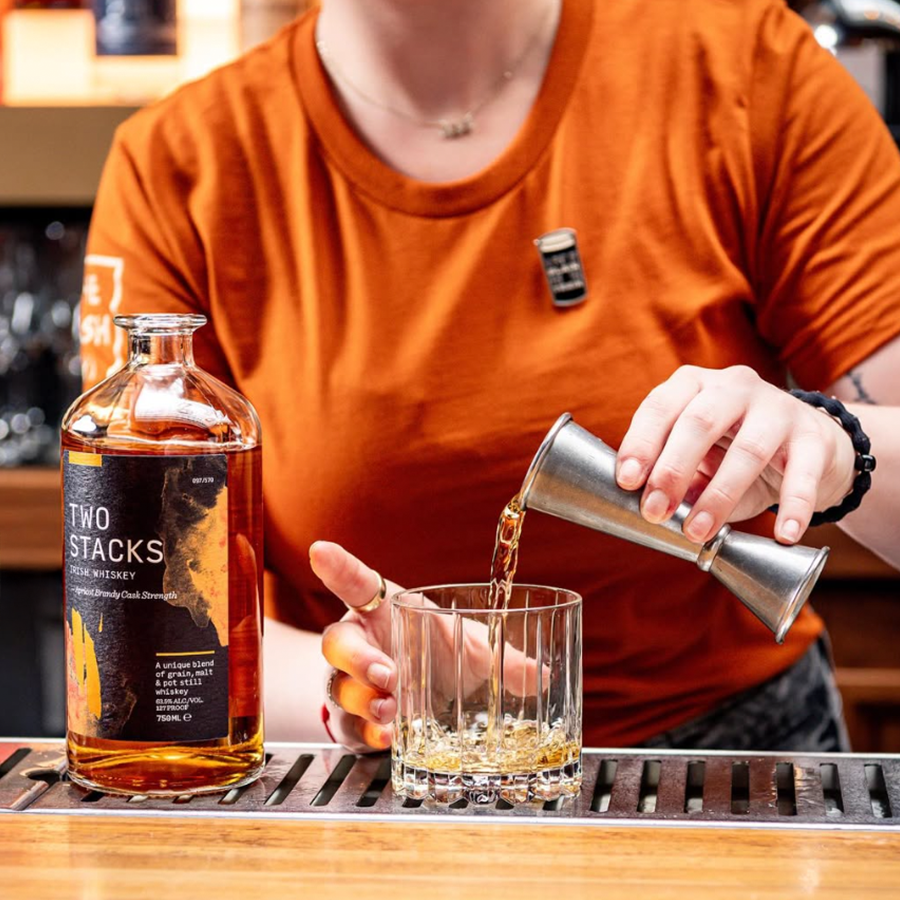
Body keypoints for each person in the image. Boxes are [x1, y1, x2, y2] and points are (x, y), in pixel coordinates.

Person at [78, 0, 900, 755]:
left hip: (725, 757)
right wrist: (351, 687)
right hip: (372, 775)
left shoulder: (747, 69)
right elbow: (151, 620)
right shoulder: (179, 164)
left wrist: (839, 446)